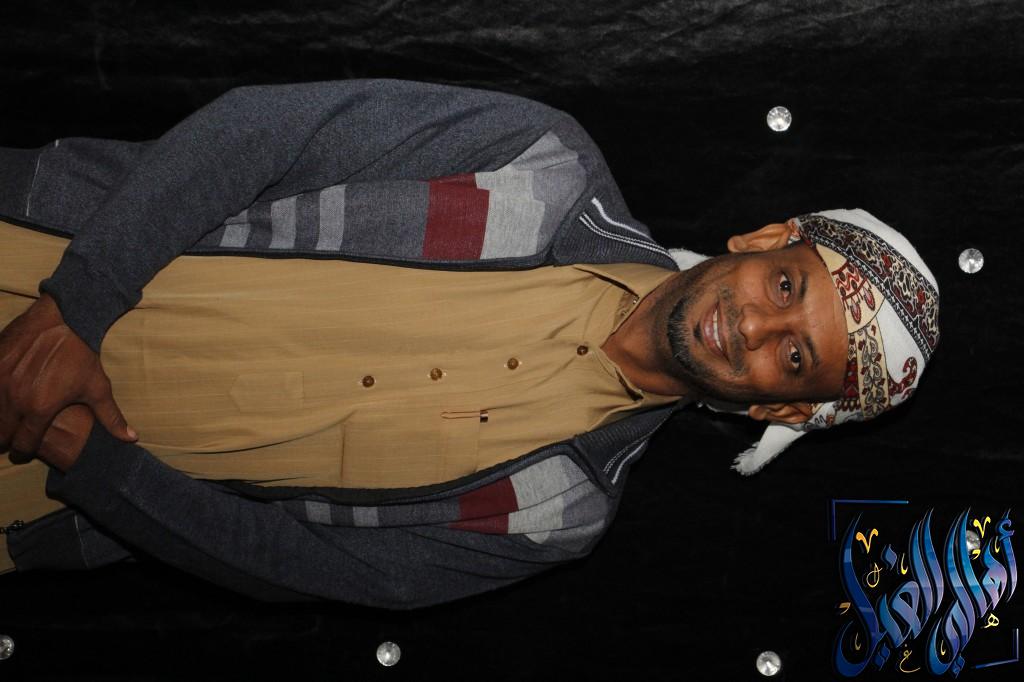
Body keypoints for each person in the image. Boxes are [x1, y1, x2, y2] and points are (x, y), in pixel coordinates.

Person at [0, 80, 940, 607]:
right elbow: (264, 134)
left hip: (28, 481)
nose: (757, 326)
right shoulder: (542, 162)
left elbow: (294, 565)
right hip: (35, 258)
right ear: (766, 240)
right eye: (787, 287)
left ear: (780, 406)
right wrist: (78, 306)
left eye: (794, 357)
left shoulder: (560, 516)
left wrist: (94, 466)